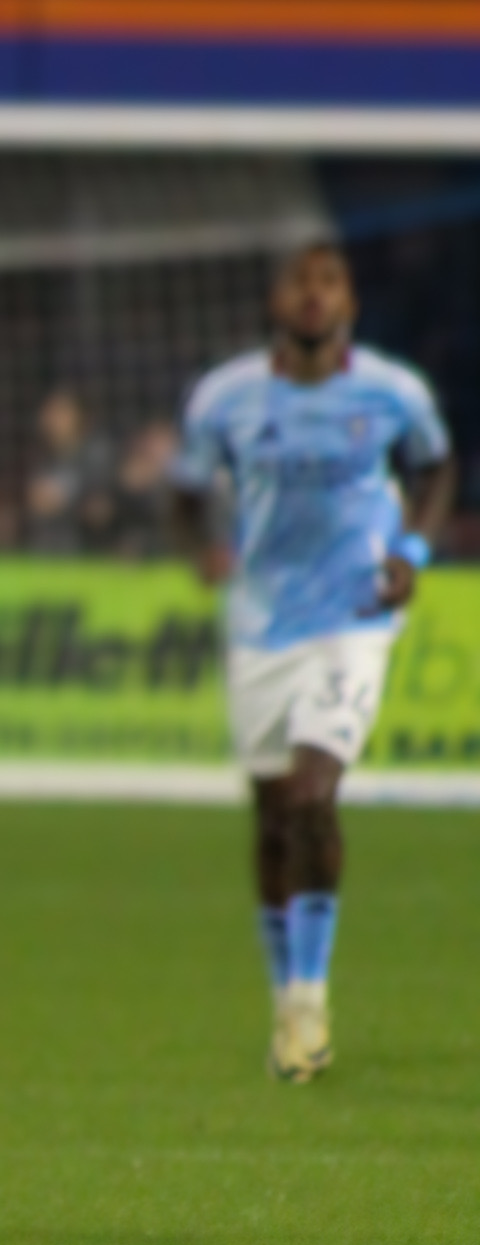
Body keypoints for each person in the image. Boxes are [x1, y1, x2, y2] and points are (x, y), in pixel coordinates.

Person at [174, 237, 451, 1082]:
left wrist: (411, 550)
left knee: (311, 792)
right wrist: (201, 548)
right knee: (270, 818)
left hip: (353, 616)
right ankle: (284, 1000)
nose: (313, 296)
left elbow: (436, 468)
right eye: (300, 282)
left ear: (349, 305)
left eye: (329, 283)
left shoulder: (394, 391)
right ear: (276, 301)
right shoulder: (225, 398)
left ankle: (310, 999)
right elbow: (186, 489)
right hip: (261, 624)